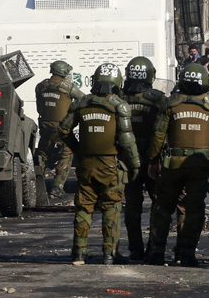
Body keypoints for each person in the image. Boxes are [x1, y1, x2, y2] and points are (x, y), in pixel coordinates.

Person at [145, 63, 209, 267]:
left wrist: (153, 160)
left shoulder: (170, 103)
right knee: (194, 210)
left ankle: (157, 252)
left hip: (172, 164)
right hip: (199, 165)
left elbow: (158, 135)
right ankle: (186, 253)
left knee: (163, 208)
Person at [58, 63, 139, 265]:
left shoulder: (82, 103)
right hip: (110, 164)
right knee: (111, 207)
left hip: (86, 163)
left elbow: (63, 129)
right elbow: (127, 139)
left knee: (84, 208)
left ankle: (79, 253)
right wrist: (136, 163)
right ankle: (109, 254)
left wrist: (77, 149)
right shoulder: (119, 105)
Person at [120, 56, 166, 261]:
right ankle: (155, 248)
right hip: (152, 161)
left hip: (127, 161)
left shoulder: (119, 98)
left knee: (132, 208)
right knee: (158, 206)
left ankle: (135, 249)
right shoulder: (158, 99)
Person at [35, 60, 85, 198]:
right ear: (64, 73)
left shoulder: (41, 86)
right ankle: (57, 187)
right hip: (62, 129)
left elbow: (39, 107)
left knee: (42, 155)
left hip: (45, 127)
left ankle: (36, 186)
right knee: (67, 154)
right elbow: (84, 100)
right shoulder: (68, 87)